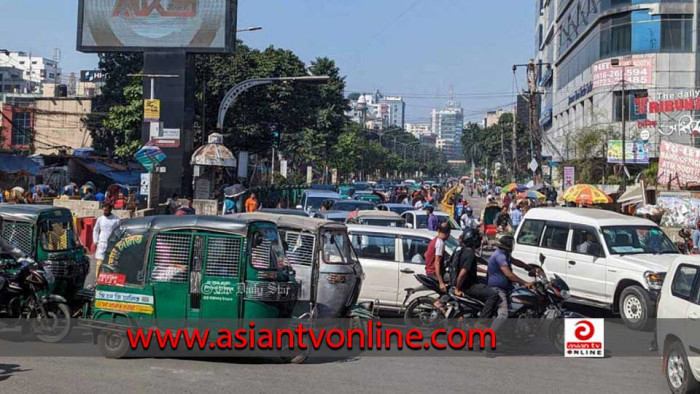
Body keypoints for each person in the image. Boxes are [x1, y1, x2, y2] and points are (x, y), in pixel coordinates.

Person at [487, 234, 536, 334]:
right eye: (511, 245)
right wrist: (525, 283)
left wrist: (528, 267)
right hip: (497, 289)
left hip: (507, 287)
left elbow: (515, 261)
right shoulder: (500, 255)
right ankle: (489, 336)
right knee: (503, 313)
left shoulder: (504, 254)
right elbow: (509, 274)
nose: (512, 247)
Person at [449, 229, 500, 325]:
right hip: (468, 286)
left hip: (462, 282)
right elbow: (463, 274)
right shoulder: (470, 253)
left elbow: (476, 259)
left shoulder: (460, 249)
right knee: (493, 295)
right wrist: (458, 289)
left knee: (486, 282)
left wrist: (489, 264)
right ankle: (482, 323)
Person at [92, 204, 120, 279]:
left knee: (110, 264)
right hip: (101, 243)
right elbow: (95, 230)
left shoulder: (116, 220)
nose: (104, 211)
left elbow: (118, 232)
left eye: (106, 210)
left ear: (110, 210)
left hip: (112, 244)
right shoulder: (100, 219)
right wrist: (95, 241)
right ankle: (97, 281)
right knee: (99, 264)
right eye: (103, 210)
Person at [424, 223, 452, 297]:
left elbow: (426, 254)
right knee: (455, 280)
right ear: (448, 233)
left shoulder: (434, 240)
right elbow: (437, 262)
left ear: (438, 231)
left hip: (430, 272)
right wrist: (441, 282)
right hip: (434, 273)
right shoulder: (440, 243)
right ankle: (441, 303)